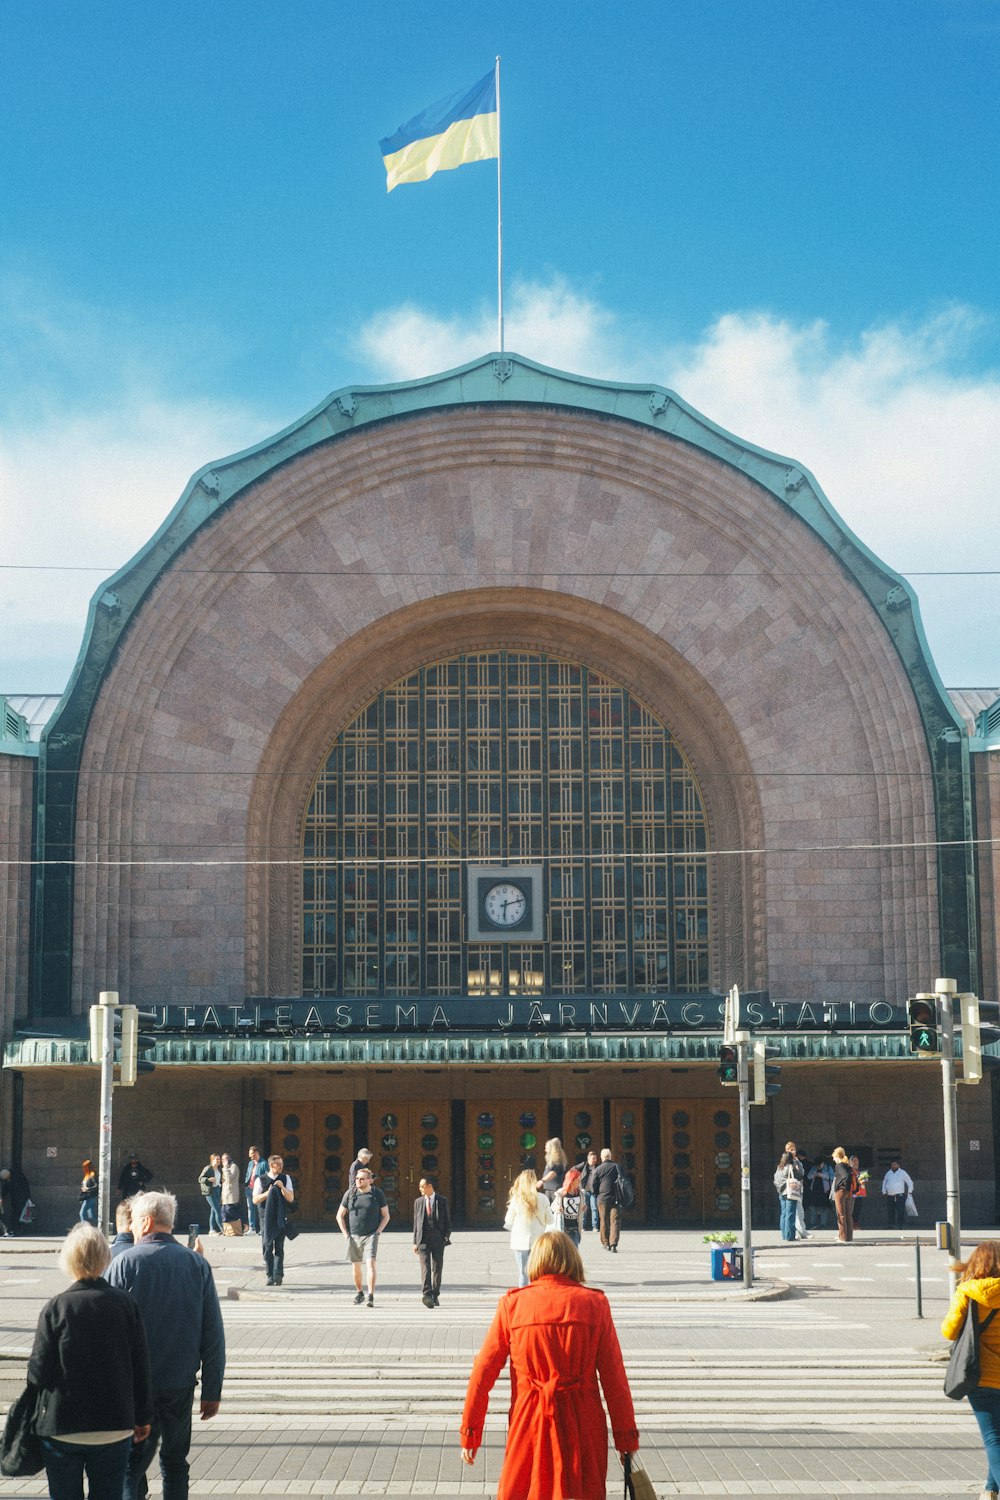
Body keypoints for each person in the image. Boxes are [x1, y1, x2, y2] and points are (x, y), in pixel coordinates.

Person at [460, 1230, 639, 1500]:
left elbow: (482, 1374)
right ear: (573, 1260)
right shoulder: (595, 1304)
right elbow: (615, 1380)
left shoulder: (513, 1305)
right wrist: (625, 1439)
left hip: (530, 1419)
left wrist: (471, 1433)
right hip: (584, 1421)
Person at [106, 1190, 225, 1500]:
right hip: (179, 1385)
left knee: (130, 1468)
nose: (129, 1227)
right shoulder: (196, 1264)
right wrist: (212, 1392)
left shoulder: (123, 1264)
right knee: (175, 1464)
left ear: (145, 1222)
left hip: (133, 1389)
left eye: (132, 1221)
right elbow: (212, 1333)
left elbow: (105, 1330)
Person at [26, 1223, 152, 1500]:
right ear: (105, 1258)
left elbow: (37, 1373)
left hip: (63, 1426)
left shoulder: (56, 1307)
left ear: (68, 1260)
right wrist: (143, 1417)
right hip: (114, 1424)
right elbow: (141, 1367)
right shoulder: (126, 1304)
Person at [942, 1240, 1000, 1500]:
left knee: (993, 1437)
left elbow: (949, 1331)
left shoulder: (967, 1292)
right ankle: (990, 1490)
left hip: (982, 1375)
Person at [337, 1164, 389, 1306]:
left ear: (369, 1180)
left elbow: (386, 1216)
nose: (358, 1181)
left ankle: (371, 1295)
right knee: (356, 1267)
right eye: (357, 1178)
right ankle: (359, 1292)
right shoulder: (350, 1193)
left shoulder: (377, 1194)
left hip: (371, 1234)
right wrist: (346, 1234)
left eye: (362, 1179)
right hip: (354, 1235)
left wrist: (378, 1232)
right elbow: (339, 1215)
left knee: (371, 1264)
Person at [503, 1170, 553, 1287]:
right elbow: (550, 1220)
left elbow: (508, 1220)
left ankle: (523, 1296)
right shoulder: (543, 1198)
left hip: (520, 1239)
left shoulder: (517, 1199)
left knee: (523, 1272)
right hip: (537, 1239)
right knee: (536, 1271)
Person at [253, 1153, 295, 1286]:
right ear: (271, 1165)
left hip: (280, 1217)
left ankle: (278, 1274)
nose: (281, 1166)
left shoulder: (285, 1178)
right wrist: (268, 1192)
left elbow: (291, 1198)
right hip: (265, 1217)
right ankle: (269, 1275)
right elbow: (255, 1199)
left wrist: (282, 1187)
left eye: (282, 1164)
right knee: (267, 1246)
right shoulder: (261, 1179)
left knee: (279, 1247)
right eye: (279, 1164)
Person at [412, 1175, 451, 1308]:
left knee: (437, 1267)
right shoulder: (418, 1202)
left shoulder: (442, 1201)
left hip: (438, 1239)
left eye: (422, 1186)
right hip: (422, 1239)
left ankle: (435, 1294)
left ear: (430, 1186)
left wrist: (446, 1236)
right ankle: (426, 1294)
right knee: (425, 1267)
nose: (420, 1189)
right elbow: (416, 1224)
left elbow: (447, 1220)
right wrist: (414, 1242)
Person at [590, 1147, 623, 1253]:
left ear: (601, 1157)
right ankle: (613, 1244)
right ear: (610, 1156)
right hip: (616, 1198)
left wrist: (597, 1195)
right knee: (615, 1221)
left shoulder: (598, 1169)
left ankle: (605, 1243)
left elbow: (593, 1185)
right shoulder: (617, 1167)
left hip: (602, 1198)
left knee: (603, 1221)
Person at [774, 1143, 805, 1242]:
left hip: (781, 1192)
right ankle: (790, 1236)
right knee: (790, 1214)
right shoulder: (790, 1167)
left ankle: (784, 1235)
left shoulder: (780, 1167)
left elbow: (775, 1180)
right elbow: (800, 1175)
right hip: (790, 1192)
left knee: (783, 1214)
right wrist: (797, 1163)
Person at [882, 1157, 914, 1230]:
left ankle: (901, 1225)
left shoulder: (902, 1172)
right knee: (890, 1211)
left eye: (895, 1164)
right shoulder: (888, 1173)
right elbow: (884, 1181)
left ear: (898, 1165)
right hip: (890, 1195)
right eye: (892, 1165)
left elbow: (909, 1182)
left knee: (900, 1211)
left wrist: (910, 1192)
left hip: (900, 1196)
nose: (893, 1166)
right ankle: (891, 1225)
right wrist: (884, 1191)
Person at [831, 1146, 855, 1242]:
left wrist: (840, 1186)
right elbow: (849, 1176)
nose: (833, 1159)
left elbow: (846, 1176)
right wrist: (848, 1188)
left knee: (841, 1214)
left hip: (841, 1191)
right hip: (848, 1192)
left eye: (834, 1157)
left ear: (837, 1156)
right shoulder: (847, 1165)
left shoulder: (839, 1165)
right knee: (848, 1214)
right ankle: (849, 1237)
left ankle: (842, 1237)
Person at [553, 1168, 582, 1246]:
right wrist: (558, 1208)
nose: (579, 1181)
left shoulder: (580, 1193)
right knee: (564, 1252)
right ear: (572, 1180)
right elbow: (553, 1206)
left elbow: (581, 1206)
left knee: (574, 1251)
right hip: (563, 1227)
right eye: (578, 1179)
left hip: (575, 1227)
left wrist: (583, 1207)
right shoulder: (561, 1193)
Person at [198, 1154, 223, 1236]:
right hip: (210, 1192)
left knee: (213, 1211)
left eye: (219, 1159)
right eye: (217, 1159)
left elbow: (218, 1180)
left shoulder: (218, 1170)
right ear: (212, 1160)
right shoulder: (208, 1168)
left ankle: (211, 1230)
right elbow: (200, 1178)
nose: (218, 1161)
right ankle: (222, 1229)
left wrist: (221, 1181)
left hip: (217, 1191)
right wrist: (208, 1179)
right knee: (218, 1210)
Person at [806, 1156, 833, 1230]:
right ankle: (812, 1223)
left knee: (823, 1208)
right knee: (813, 1207)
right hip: (814, 1190)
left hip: (824, 1191)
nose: (818, 1167)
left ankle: (823, 1224)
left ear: (823, 1163)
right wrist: (814, 1175)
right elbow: (808, 1176)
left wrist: (822, 1176)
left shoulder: (828, 1168)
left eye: (819, 1165)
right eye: (816, 1166)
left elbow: (832, 1177)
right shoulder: (814, 1168)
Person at [579, 1149, 600, 1233]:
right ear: (588, 1159)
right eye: (592, 1158)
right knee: (584, 1208)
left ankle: (594, 1226)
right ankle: (583, 1226)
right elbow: (574, 1169)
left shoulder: (598, 1167)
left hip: (593, 1191)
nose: (594, 1160)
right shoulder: (584, 1166)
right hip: (585, 1191)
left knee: (594, 1208)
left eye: (595, 1158)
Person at [244, 1146, 264, 1233]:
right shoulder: (250, 1163)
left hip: (259, 1190)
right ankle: (252, 1228)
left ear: (256, 1153)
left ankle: (262, 1228)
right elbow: (248, 1174)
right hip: (249, 1188)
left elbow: (265, 1176)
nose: (250, 1156)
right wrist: (247, 1184)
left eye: (251, 1154)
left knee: (260, 1209)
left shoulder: (264, 1163)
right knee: (250, 1209)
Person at [219, 1152, 241, 1231]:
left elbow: (229, 1179)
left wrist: (225, 1168)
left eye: (223, 1159)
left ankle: (241, 1225)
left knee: (230, 1210)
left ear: (228, 1160)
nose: (222, 1161)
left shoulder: (233, 1166)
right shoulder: (225, 1168)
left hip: (231, 1195)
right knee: (223, 1213)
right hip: (225, 1195)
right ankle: (227, 1230)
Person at [850, 1155, 869, 1229]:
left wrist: (863, 1180)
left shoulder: (861, 1172)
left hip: (860, 1194)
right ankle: (850, 1224)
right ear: (850, 1162)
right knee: (851, 1209)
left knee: (857, 1209)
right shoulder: (849, 1171)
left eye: (857, 1160)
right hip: (852, 1193)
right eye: (854, 1160)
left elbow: (864, 1182)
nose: (856, 1162)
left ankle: (856, 1223)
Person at [79, 1160, 99, 1225]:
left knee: (82, 1213)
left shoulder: (92, 1175)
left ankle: (85, 1229)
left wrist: (88, 1189)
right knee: (92, 1216)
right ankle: (100, 1226)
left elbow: (96, 1186)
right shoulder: (87, 1175)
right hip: (87, 1196)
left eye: (85, 1167)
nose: (83, 1169)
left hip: (91, 1196)